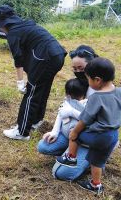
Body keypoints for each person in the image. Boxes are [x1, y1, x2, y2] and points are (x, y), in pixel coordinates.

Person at [0, 5, 66, 140]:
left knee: (31, 93)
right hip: (57, 55)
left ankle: (22, 131)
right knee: (42, 90)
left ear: (4, 23)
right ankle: (36, 121)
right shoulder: (24, 26)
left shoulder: (13, 33)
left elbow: (18, 59)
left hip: (46, 57)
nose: (0, 28)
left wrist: (20, 81)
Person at [56, 57, 121, 194]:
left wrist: (75, 133)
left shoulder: (96, 97)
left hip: (99, 135)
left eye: (89, 79)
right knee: (98, 161)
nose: (88, 82)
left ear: (97, 80)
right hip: (113, 135)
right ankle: (96, 185)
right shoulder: (119, 92)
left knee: (75, 132)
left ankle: (71, 157)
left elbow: (85, 119)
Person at [38, 45, 99, 181]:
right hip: (73, 135)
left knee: (62, 174)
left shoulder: (100, 89)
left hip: (89, 140)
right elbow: (63, 109)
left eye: (81, 69)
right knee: (43, 146)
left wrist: (72, 111)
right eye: (75, 69)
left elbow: (95, 120)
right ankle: (70, 151)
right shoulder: (77, 84)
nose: (77, 72)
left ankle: (91, 158)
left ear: (92, 65)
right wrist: (54, 131)